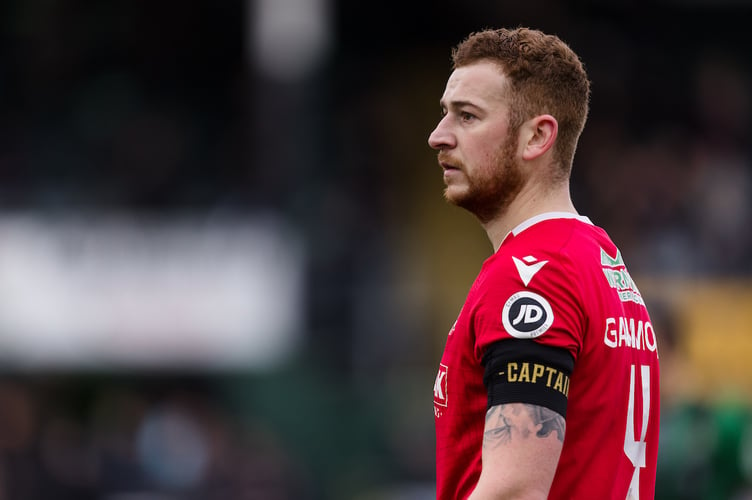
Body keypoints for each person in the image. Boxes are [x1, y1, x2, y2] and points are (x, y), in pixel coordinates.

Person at [428, 27, 660, 499]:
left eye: (467, 116)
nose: (438, 137)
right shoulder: (597, 260)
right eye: (444, 115)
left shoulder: (532, 275)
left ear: (537, 136)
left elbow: (513, 491)